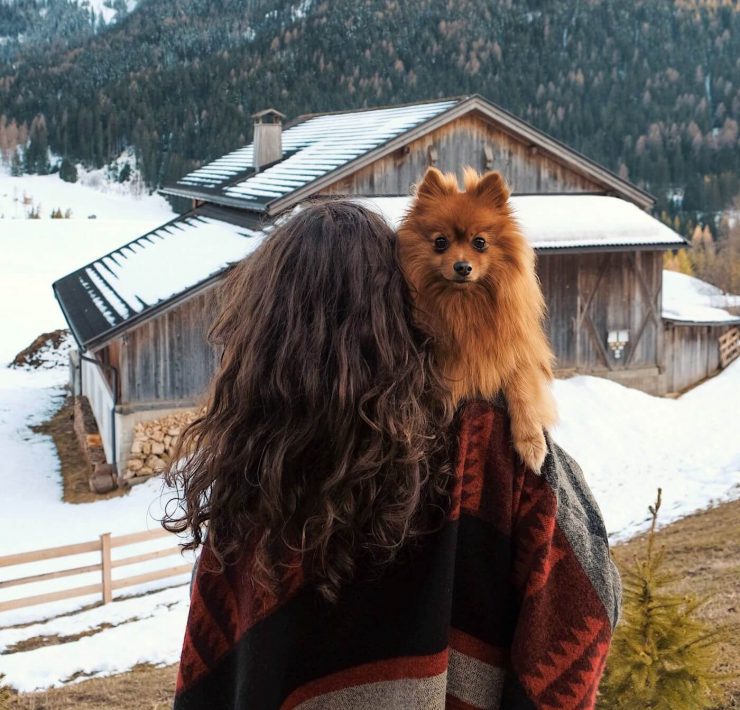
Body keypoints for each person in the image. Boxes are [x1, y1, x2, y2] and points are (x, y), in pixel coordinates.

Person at [164, 200, 621, 710]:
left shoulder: (249, 480)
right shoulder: (483, 440)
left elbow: (213, 678)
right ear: (400, 305)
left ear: (261, 335)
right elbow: (586, 594)